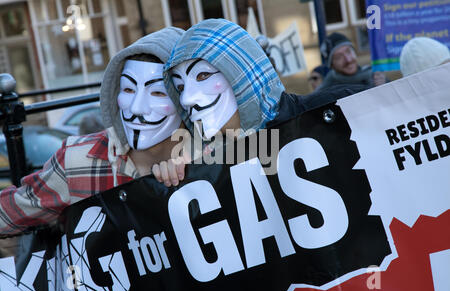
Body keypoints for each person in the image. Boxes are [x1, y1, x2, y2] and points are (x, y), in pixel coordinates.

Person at [0, 27, 184, 236]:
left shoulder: (211, 157)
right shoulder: (78, 161)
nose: (136, 108)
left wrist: (200, 173)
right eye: (129, 90)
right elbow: (11, 211)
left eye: (158, 92)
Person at [152, 18, 369, 186]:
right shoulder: (212, 167)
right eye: (180, 88)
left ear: (242, 71)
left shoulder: (341, 105)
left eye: (202, 76)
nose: (186, 98)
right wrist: (182, 183)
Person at [318, 32, 386, 89]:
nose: (348, 60)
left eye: (348, 52)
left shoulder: (374, 75)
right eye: (339, 57)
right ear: (332, 65)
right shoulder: (327, 90)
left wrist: (384, 88)